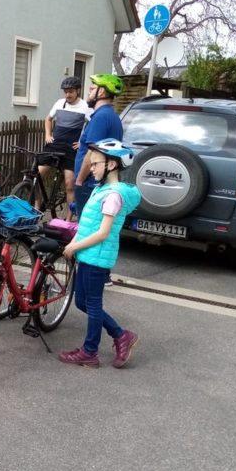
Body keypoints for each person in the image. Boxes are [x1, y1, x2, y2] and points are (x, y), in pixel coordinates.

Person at [59, 139, 141, 368]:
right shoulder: (101, 189)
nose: (91, 168)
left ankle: (90, 352)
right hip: (88, 254)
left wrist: (75, 246)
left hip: (97, 257)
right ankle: (121, 335)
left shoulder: (113, 195)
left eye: (96, 164)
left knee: (92, 304)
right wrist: (74, 241)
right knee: (82, 302)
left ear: (112, 165)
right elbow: (87, 224)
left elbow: (103, 232)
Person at [38, 76, 92, 220]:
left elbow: (92, 125)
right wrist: (48, 135)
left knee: (69, 184)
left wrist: (82, 143)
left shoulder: (85, 106)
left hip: (71, 149)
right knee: (36, 175)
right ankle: (36, 207)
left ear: (77, 91)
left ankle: (68, 219)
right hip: (54, 145)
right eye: (66, 92)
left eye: (71, 91)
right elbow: (48, 119)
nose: (68, 94)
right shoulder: (60, 103)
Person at [73, 74, 124, 215]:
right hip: (99, 181)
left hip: (90, 183)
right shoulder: (111, 116)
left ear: (101, 92)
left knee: (86, 227)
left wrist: (79, 180)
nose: (88, 93)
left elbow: (92, 153)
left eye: (91, 89)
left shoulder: (101, 117)